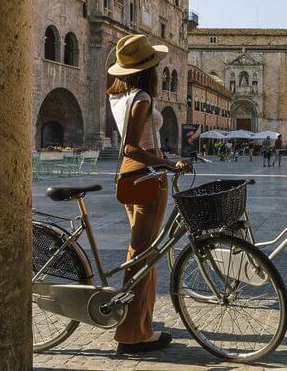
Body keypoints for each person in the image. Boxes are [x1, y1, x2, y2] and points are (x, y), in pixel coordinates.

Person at [106, 34, 190, 354]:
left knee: (143, 252)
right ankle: (132, 334)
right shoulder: (142, 97)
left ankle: (143, 321)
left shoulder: (118, 96)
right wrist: (169, 163)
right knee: (141, 256)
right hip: (147, 175)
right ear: (148, 69)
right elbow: (132, 145)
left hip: (130, 175)